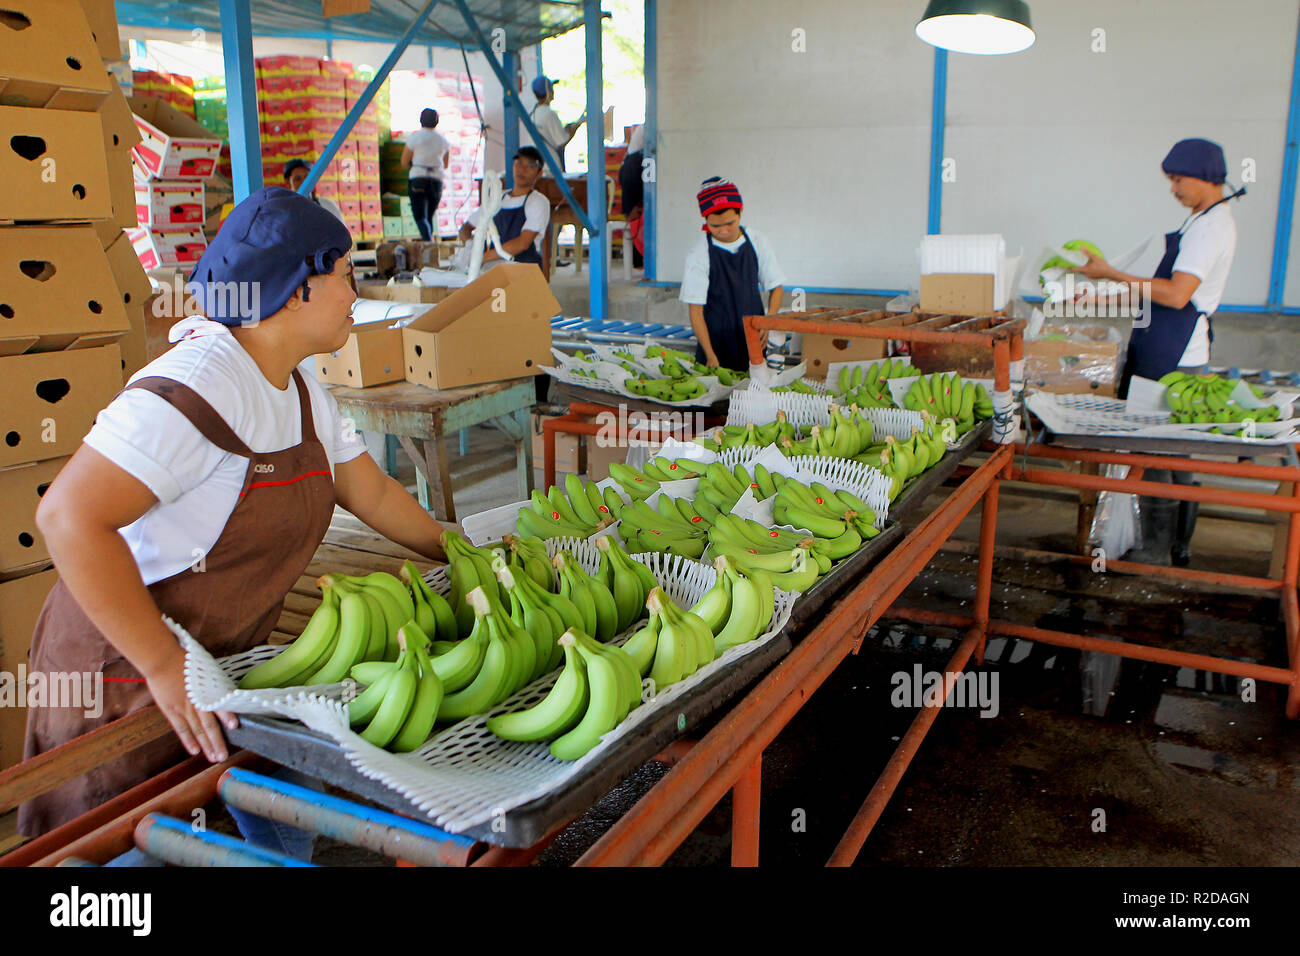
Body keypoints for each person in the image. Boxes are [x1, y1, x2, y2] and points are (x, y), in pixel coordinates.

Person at [19, 188, 448, 853]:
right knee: (123, 842)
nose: (354, 294)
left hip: (228, 658)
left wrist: (463, 552)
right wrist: (162, 666)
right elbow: (68, 519)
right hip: (123, 668)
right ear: (297, 289)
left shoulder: (301, 388)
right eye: (344, 274)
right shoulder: (197, 382)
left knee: (273, 808)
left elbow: (375, 496)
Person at [1077, 137, 1244, 566]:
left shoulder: (1212, 228)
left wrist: (1112, 273)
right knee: (1165, 451)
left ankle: (1160, 551)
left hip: (1179, 355)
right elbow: (1156, 296)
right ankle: (1164, 546)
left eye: (1178, 178)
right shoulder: (1199, 221)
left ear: (1207, 176)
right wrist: (1097, 297)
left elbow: (1175, 295)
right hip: (1164, 341)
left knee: (1163, 454)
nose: (1173, 188)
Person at [679, 176, 786, 371]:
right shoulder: (699, 253)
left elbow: (776, 287)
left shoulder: (756, 241)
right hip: (715, 342)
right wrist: (710, 355)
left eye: (730, 223)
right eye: (715, 226)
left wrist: (768, 321)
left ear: (740, 212)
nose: (724, 231)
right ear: (705, 220)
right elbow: (695, 310)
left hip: (753, 338)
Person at [457, 146, 551, 269]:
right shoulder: (498, 198)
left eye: (530, 166)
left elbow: (522, 243)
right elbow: (466, 228)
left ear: (539, 173)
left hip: (524, 270)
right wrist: (471, 247)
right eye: (519, 163)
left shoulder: (538, 201)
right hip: (494, 268)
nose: (522, 169)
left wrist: (483, 258)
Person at [401, 108, 451, 241]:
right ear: (437, 122)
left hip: (418, 177)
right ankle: (428, 244)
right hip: (436, 180)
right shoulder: (443, 141)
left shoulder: (414, 138)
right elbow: (445, 164)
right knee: (429, 217)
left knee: (420, 216)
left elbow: (404, 161)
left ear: (421, 120)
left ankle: (428, 243)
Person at [528, 76, 582, 172]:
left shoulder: (533, 114)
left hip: (537, 167)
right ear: (548, 92)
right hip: (552, 168)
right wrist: (577, 126)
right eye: (551, 89)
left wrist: (566, 129)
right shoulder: (549, 114)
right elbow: (562, 141)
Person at [283, 158, 346, 225]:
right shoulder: (283, 210)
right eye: (297, 179)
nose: (304, 182)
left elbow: (342, 233)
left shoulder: (328, 206)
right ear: (288, 183)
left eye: (307, 177)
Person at [618, 125, 646, 269]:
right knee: (636, 214)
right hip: (634, 168)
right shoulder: (648, 126)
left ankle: (639, 261)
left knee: (638, 213)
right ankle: (638, 262)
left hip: (635, 166)